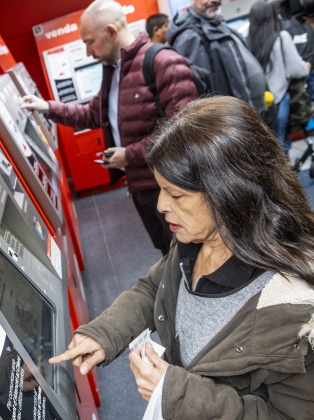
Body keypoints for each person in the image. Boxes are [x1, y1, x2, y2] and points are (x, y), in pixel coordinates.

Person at [49, 96, 314, 419]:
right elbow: (155, 288)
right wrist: (105, 332)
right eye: (161, 189)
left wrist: (177, 394)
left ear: (230, 192)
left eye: (176, 194)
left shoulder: (297, 311)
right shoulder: (195, 238)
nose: (161, 204)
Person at [21, 0, 198, 256]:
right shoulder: (114, 72)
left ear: (112, 31)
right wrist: (47, 107)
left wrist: (129, 155)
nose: (87, 52)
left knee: (192, 253)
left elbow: (185, 131)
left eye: (89, 41)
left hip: (172, 186)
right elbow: (91, 114)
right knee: (169, 254)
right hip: (143, 187)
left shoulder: (163, 63)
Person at [167, 0, 268, 112]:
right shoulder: (189, 37)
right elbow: (202, 94)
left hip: (249, 108)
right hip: (231, 116)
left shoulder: (216, 24)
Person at [248, 1, 310, 153]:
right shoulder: (282, 37)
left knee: (268, 146)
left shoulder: (247, 42)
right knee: (281, 145)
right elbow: (297, 70)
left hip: (258, 103)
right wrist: (307, 66)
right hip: (280, 99)